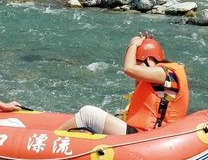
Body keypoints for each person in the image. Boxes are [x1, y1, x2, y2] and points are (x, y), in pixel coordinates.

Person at [60, 33, 188, 135]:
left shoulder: (166, 74)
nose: (136, 66)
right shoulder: (160, 78)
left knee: (87, 113)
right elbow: (141, 89)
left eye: (137, 61)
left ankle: (51, 140)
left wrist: (132, 45)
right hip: (146, 134)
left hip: (147, 137)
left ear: (149, 59)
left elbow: (129, 69)